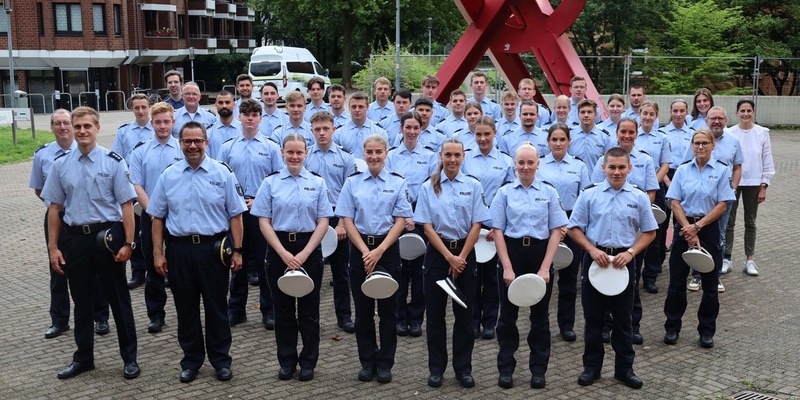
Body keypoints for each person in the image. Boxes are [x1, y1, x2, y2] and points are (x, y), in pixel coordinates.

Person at [41, 106, 140, 380]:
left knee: (119, 301)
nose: (82, 131)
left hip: (106, 240)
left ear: (97, 128)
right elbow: (54, 208)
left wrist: (129, 244)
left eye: (87, 126)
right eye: (78, 126)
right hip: (75, 241)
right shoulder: (61, 164)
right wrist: (53, 247)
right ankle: (83, 358)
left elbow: (127, 206)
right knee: (81, 303)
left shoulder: (113, 161)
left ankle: (129, 359)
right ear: (72, 130)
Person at [148, 121, 245, 382]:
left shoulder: (222, 173)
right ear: (180, 144)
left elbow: (236, 214)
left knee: (216, 308)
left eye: (197, 141)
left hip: (213, 251)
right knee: (186, 308)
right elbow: (157, 217)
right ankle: (191, 361)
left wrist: (237, 250)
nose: (192, 146)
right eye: (187, 141)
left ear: (206, 142)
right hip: (179, 251)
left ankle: (221, 360)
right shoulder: (168, 175)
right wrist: (158, 253)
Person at [567, 147, 658, 389]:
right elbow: (573, 228)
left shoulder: (638, 197)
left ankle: (624, 370)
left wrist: (631, 253)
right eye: (612, 167)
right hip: (595, 260)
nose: (616, 172)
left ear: (629, 168)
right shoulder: (590, 195)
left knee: (623, 320)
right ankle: (591, 368)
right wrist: (591, 249)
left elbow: (650, 232)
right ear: (603, 168)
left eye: (621, 167)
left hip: (623, 262)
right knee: (593, 319)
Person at [251, 134, 334, 382]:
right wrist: (283, 253)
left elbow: (323, 221)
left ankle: (308, 362)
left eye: (299, 152)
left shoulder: (317, 183)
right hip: (279, 250)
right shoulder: (270, 183)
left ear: (306, 153)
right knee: (283, 310)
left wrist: (306, 252)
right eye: (290, 152)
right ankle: (287, 361)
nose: (295, 157)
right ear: (282, 152)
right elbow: (263, 221)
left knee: (309, 311)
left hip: (309, 248)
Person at [414, 138, 491, 388]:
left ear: (463, 156)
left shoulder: (473, 185)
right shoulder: (428, 187)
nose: (452, 160)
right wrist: (449, 257)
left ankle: (463, 369)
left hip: (465, 255)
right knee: (435, 317)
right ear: (440, 156)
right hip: (438, 256)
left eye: (457, 155)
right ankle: (436, 369)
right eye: (448, 155)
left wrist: (461, 257)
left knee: (465, 316)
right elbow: (426, 226)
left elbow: (477, 223)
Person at [336, 134, 412, 383]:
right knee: (364, 311)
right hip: (360, 249)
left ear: (386, 152)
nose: (374, 156)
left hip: (388, 250)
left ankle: (385, 363)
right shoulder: (353, 182)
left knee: (389, 311)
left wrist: (379, 250)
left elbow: (401, 220)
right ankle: (367, 362)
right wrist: (365, 250)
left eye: (378, 152)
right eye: (369, 152)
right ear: (363, 153)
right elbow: (347, 218)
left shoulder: (398, 182)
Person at [491, 143, 568, 389]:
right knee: (507, 318)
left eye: (530, 162)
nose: (525, 167)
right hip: (511, 253)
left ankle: (538, 370)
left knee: (540, 318)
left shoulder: (549, 192)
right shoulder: (504, 193)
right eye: (521, 162)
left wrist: (545, 268)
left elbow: (557, 230)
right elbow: (498, 231)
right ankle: (505, 369)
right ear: (514, 164)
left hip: (539, 254)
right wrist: (507, 267)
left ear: (538, 164)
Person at [31, 109, 109, 339]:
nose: (63, 127)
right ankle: (59, 320)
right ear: (52, 127)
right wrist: (60, 205)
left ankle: (101, 317)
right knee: (58, 269)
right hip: (58, 218)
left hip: (87, 220)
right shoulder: (42, 155)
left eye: (67, 123)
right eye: (58, 123)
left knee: (94, 270)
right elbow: (39, 189)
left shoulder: (87, 148)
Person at [663, 129, 735, 349]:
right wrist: (687, 228)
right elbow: (674, 201)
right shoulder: (683, 170)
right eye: (697, 143)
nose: (701, 147)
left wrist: (698, 227)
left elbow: (723, 204)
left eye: (705, 143)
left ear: (713, 145)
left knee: (710, 284)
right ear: (692, 146)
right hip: (684, 228)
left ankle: (706, 331)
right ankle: (672, 328)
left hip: (709, 229)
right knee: (676, 282)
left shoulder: (722, 171)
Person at [590, 118, 658, 345]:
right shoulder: (596, 185)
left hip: (629, 238)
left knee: (629, 295)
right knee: (598, 300)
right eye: (623, 131)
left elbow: (649, 196)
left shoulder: (644, 162)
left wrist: (632, 250)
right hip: (599, 250)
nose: (617, 171)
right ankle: (604, 331)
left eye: (631, 132)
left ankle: (632, 329)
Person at [217, 99, 284, 329]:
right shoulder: (227, 147)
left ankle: (269, 310)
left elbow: (278, 181)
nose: (250, 118)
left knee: (266, 263)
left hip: (261, 212)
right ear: (239, 117)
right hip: (236, 213)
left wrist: (259, 201)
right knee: (237, 263)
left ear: (260, 119)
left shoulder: (271, 147)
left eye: (254, 115)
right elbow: (220, 180)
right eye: (246, 114)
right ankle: (236, 310)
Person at [128, 102, 185, 334]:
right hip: (149, 215)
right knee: (153, 266)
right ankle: (156, 314)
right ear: (152, 123)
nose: (162, 126)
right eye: (158, 122)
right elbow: (136, 184)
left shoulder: (182, 149)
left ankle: (184, 312)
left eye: (167, 121)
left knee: (179, 266)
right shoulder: (140, 151)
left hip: (178, 216)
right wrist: (153, 211)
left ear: (173, 122)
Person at [460, 116, 514, 340]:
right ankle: (471, 320)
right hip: (470, 227)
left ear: (495, 133)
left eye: (486, 134)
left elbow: (510, 196)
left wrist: (499, 226)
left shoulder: (506, 161)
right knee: (471, 276)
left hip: (493, 228)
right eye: (478, 134)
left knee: (492, 277)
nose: (482, 138)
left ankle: (490, 321)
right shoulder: (464, 159)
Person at [536, 123, 591, 343]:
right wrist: (553, 225)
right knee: (545, 275)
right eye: (554, 139)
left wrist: (569, 224)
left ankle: (566, 324)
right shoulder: (539, 165)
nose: (558, 143)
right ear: (548, 142)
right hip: (545, 224)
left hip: (571, 224)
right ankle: (541, 325)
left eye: (562, 139)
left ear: (569, 141)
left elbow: (584, 198)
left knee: (569, 280)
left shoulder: (579, 166)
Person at [385, 112, 438, 337]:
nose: (412, 131)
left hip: (420, 215)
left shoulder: (430, 156)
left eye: (416, 127)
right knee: (398, 269)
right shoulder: (391, 156)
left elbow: (433, 188)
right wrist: (402, 215)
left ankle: (416, 317)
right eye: (408, 127)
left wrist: (414, 217)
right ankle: (399, 317)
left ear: (421, 129)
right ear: (401, 128)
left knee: (419, 271)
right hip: (396, 217)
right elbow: (387, 187)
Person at [304, 111, 357, 334]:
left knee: (341, 273)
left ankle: (344, 316)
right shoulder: (305, 157)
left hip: (338, 220)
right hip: (313, 221)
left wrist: (343, 224)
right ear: (312, 131)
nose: (322, 133)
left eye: (326, 128)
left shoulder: (346, 158)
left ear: (334, 129)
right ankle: (309, 318)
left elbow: (351, 193)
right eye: (317, 129)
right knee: (311, 272)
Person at [682, 106, 743, 291]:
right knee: (695, 232)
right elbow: (685, 164)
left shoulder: (733, 141)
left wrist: (732, 189)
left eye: (720, 118)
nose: (716, 121)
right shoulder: (697, 140)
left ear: (726, 120)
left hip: (722, 198)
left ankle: (715, 276)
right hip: (698, 197)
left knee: (719, 235)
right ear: (706, 120)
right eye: (713, 118)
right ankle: (697, 274)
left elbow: (738, 167)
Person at [725, 100, 775, 277]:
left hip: (754, 183)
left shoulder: (762, 133)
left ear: (753, 112)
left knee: (750, 222)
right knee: (728, 222)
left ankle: (749, 260)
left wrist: (764, 186)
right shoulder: (729, 132)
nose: (745, 114)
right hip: (732, 183)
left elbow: (767, 160)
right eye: (742, 110)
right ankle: (726, 258)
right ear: (737, 112)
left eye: (749, 110)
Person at [111, 94, 152, 289]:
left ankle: (163, 269)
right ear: (132, 109)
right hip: (132, 189)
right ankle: (138, 273)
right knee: (134, 233)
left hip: (154, 187)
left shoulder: (159, 127)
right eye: (137, 108)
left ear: (149, 107)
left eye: (144, 107)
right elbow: (117, 160)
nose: (141, 111)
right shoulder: (124, 132)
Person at [635, 101, 671, 294]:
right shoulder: (632, 134)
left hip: (655, 191)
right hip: (634, 190)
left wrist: (652, 184)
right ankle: (633, 272)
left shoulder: (663, 138)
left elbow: (665, 164)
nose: (648, 117)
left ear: (656, 116)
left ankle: (650, 276)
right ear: (639, 114)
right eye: (645, 113)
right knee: (634, 231)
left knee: (654, 233)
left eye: (651, 114)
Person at [334, 92, 389, 159]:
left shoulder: (379, 132)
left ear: (367, 107)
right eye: (354, 107)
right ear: (349, 108)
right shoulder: (338, 132)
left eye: (361, 107)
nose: (357, 110)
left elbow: (386, 157)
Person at [569, 99, 612, 168]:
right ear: (578, 115)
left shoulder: (604, 137)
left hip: (595, 178)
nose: (586, 115)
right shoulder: (569, 135)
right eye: (583, 112)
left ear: (595, 115)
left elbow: (608, 163)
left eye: (589, 112)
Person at [207, 90, 242, 159]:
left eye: (227, 102)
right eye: (220, 103)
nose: (224, 106)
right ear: (216, 105)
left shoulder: (243, 130)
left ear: (234, 104)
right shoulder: (209, 132)